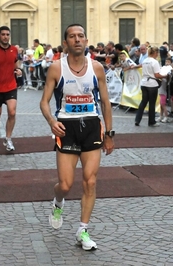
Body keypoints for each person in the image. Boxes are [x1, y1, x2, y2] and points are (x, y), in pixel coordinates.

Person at [40, 24, 114, 251]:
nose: (77, 40)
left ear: (86, 40)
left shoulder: (97, 67)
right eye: (72, 37)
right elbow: (44, 102)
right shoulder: (56, 68)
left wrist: (109, 134)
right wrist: (52, 122)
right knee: (65, 184)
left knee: (90, 181)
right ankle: (58, 202)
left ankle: (82, 229)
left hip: (92, 125)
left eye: (81, 36)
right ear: (66, 42)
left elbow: (105, 102)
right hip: (66, 128)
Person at [135, 46, 166, 127]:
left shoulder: (145, 61)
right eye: (157, 53)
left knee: (143, 102)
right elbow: (157, 75)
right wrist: (165, 76)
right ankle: (151, 121)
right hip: (152, 84)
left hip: (144, 83)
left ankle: (137, 119)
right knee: (152, 103)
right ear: (155, 53)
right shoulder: (154, 62)